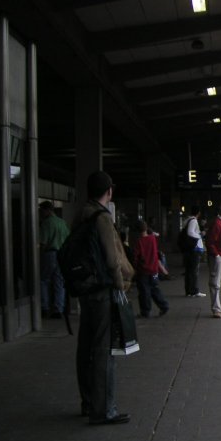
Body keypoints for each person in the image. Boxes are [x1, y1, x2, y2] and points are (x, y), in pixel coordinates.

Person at [74, 170, 135, 425]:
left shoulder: (81, 215)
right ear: (109, 191)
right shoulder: (101, 218)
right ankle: (104, 410)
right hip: (102, 290)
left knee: (86, 348)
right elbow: (112, 259)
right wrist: (121, 287)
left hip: (86, 290)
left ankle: (88, 402)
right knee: (104, 351)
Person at [132, 219, 169, 318]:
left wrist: (135, 268)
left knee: (144, 292)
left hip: (143, 271)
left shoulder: (138, 242)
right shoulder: (152, 239)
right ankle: (164, 305)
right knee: (154, 289)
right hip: (153, 270)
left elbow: (135, 258)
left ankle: (145, 311)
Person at [39, 201, 70, 318]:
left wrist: (39, 255)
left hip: (50, 254)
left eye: (41, 210)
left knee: (44, 280)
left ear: (47, 210)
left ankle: (44, 307)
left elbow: (43, 242)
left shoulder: (46, 223)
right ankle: (58, 309)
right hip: (62, 255)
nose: (40, 213)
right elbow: (68, 240)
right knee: (59, 282)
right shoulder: (62, 223)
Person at [182, 206, 206, 297]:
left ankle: (188, 291)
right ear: (198, 213)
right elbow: (190, 232)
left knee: (189, 271)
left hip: (189, 248)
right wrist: (200, 235)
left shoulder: (187, 220)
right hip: (194, 249)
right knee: (194, 271)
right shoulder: (193, 220)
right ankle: (195, 291)